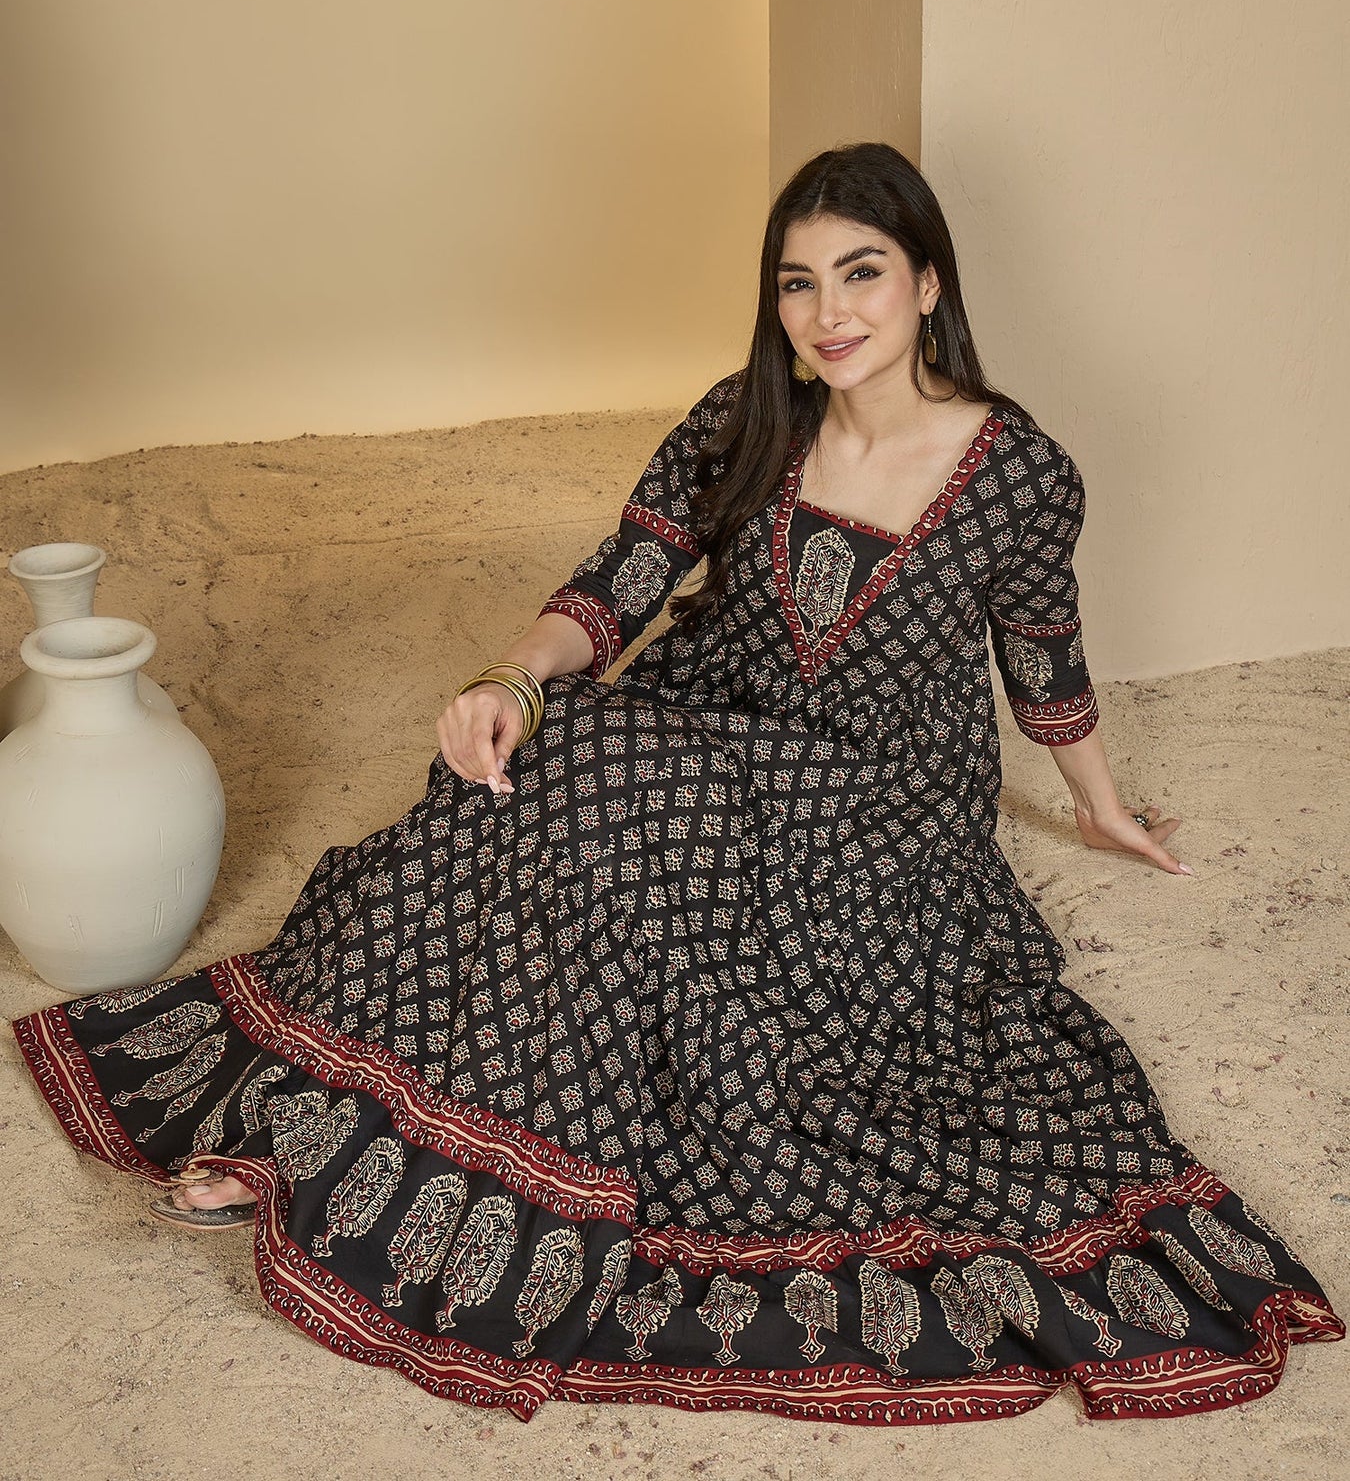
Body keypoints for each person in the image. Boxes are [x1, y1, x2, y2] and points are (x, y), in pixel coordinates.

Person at [12, 143, 1342, 1425]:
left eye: (862, 273)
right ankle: (321, 1136)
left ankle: (368, 1163)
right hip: (708, 713)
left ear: (929, 282)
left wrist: (1098, 802)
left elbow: (1041, 653)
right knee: (523, 769)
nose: (828, 313)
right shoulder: (746, 419)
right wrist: (510, 680)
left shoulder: (1019, 475)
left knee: (610, 818)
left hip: (875, 797)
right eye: (797, 282)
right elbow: (619, 584)